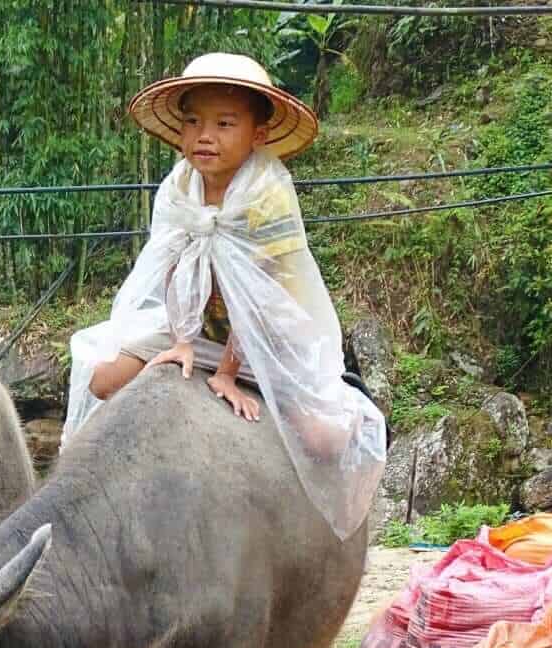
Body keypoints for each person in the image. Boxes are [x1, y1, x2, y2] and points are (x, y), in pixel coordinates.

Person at [62, 52, 386, 541]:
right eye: (193, 122)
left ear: (257, 133)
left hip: (266, 332)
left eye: (224, 123)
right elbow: (168, 265)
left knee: (324, 438)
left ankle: (348, 399)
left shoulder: (268, 192)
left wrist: (230, 372)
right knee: (102, 381)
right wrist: (182, 339)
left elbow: (263, 295)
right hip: (194, 323)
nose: (204, 135)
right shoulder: (179, 185)